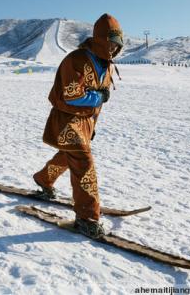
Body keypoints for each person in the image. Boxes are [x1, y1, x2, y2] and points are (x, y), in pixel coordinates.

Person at [33, 14, 123, 238]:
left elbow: (95, 99)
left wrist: (92, 122)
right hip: (66, 121)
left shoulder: (107, 65)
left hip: (85, 122)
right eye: (110, 43)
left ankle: (44, 179)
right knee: (83, 162)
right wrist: (98, 98)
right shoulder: (77, 60)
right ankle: (87, 218)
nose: (113, 48)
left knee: (68, 156)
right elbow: (72, 96)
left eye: (117, 45)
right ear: (101, 40)